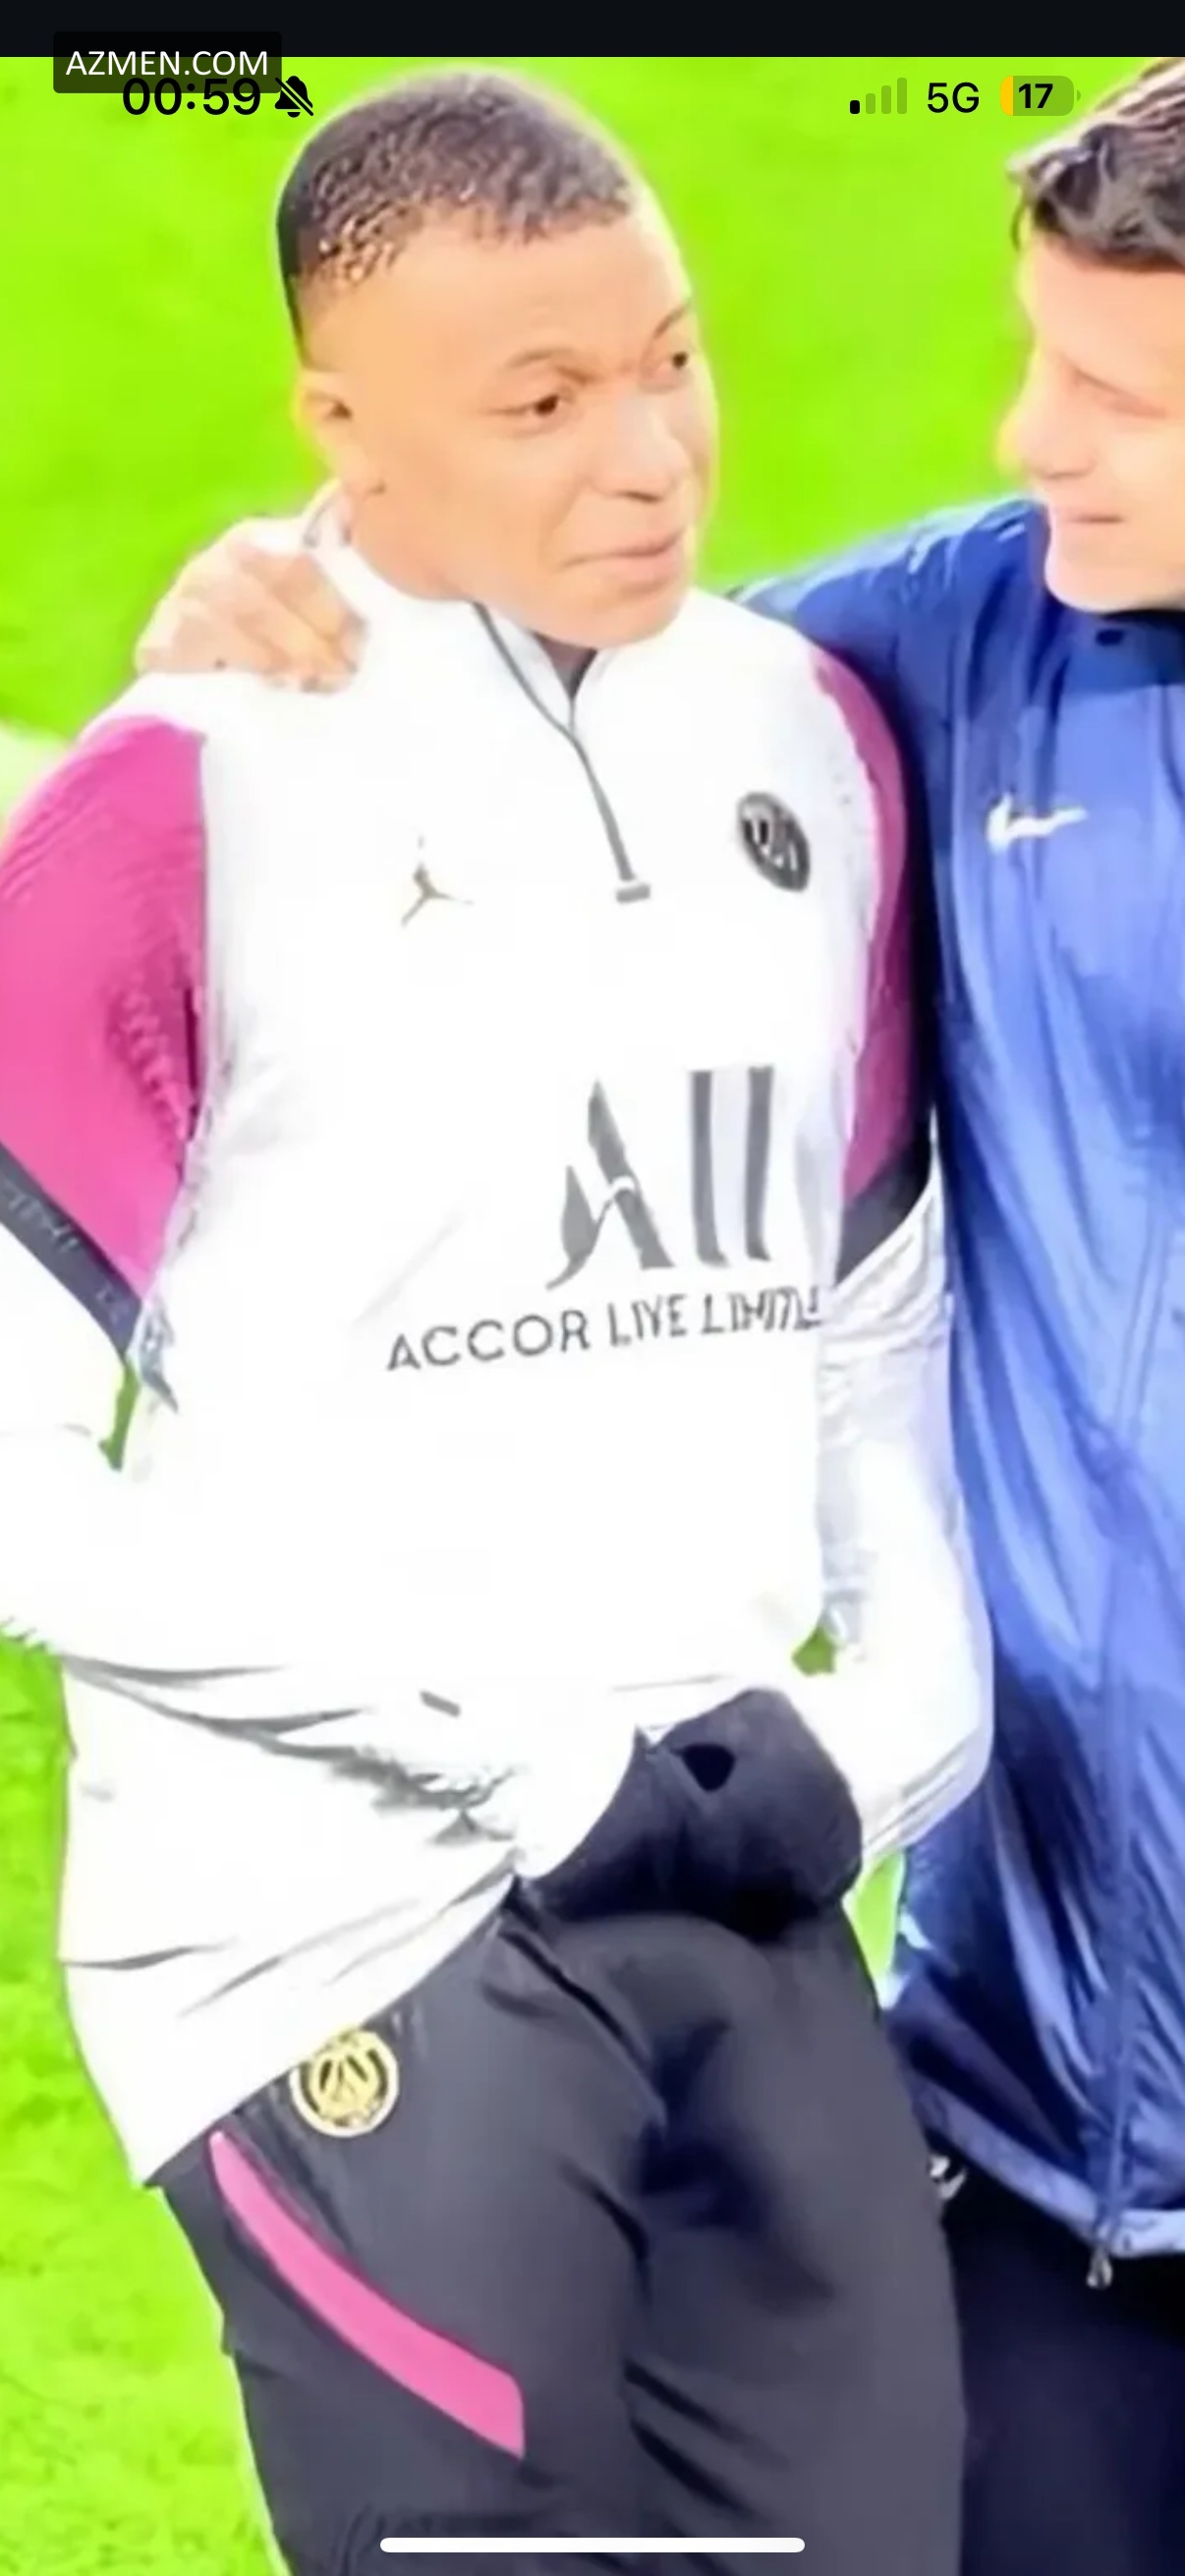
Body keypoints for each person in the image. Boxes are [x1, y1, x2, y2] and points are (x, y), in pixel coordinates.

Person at [148, 52, 1185, 2576]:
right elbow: (534, 693)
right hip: (1060, 2145)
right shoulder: (949, 657)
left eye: (1125, 394)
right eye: (1040, 356)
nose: (1027, 433)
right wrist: (287, 589)